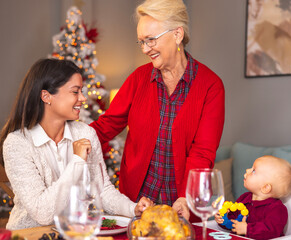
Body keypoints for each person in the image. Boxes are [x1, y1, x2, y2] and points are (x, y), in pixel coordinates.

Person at [90, 0, 225, 221]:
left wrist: (186, 198)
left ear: (177, 34)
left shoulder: (210, 86)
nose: (145, 49)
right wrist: (64, 136)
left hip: (179, 206)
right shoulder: (138, 79)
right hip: (137, 203)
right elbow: (107, 125)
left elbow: (202, 152)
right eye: (141, 42)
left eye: (151, 40)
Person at [0, 58, 153, 230]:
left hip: (76, 233)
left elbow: (102, 191)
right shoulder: (17, 144)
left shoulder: (85, 133)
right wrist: (77, 161)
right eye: (75, 92)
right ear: (46, 96)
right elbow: (42, 214)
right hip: (30, 234)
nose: (83, 98)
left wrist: (133, 209)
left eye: (82, 91)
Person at [214, 155, 291, 239]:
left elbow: (271, 231)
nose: (247, 170)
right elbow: (233, 223)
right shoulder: (244, 198)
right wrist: (223, 219)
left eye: (253, 171)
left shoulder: (277, 209)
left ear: (265, 188)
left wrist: (247, 229)